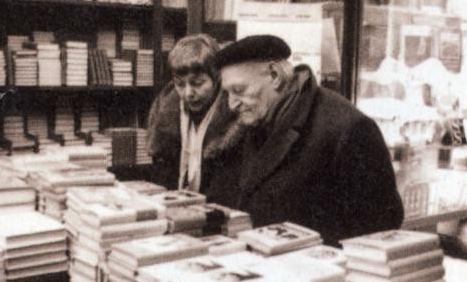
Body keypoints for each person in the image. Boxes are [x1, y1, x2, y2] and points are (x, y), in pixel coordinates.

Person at [206, 34, 403, 245]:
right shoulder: (252, 121)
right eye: (227, 93)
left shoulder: (348, 127)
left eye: (239, 91)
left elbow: (383, 223)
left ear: (274, 75)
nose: (232, 104)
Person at [147, 34, 244, 192]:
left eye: (197, 83)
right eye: (179, 84)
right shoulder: (164, 115)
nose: (188, 93)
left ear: (216, 78)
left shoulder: (236, 116)